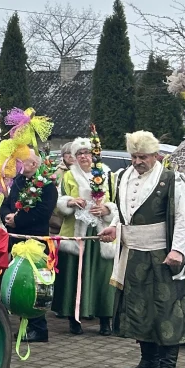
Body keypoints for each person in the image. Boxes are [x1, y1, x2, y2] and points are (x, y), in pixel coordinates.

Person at [99, 130, 185, 368]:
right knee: (138, 308)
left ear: (156, 155)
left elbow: (183, 217)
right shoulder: (122, 177)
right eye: (134, 156)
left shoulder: (171, 179)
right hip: (132, 254)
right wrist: (114, 227)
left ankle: (168, 367)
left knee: (166, 309)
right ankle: (148, 361)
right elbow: (123, 212)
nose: (138, 161)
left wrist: (177, 250)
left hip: (161, 254)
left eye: (143, 157)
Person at [52, 137, 118, 336]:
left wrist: (107, 209)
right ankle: (74, 319)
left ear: (94, 154)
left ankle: (105, 319)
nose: (83, 157)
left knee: (103, 276)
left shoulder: (108, 174)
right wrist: (70, 202)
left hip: (101, 233)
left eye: (87, 153)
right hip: (76, 232)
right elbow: (59, 203)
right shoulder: (69, 176)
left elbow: (117, 203)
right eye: (79, 154)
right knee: (74, 276)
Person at [1, 152, 59, 342]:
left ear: (34, 164)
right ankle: (25, 324)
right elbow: (6, 203)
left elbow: (43, 212)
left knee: (35, 284)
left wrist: (17, 220)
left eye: (22, 161)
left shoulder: (47, 186)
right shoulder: (17, 181)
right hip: (17, 241)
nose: (18, 163)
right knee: (20, 282)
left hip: (36, 242)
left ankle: (39, 327)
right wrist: (7, 217)